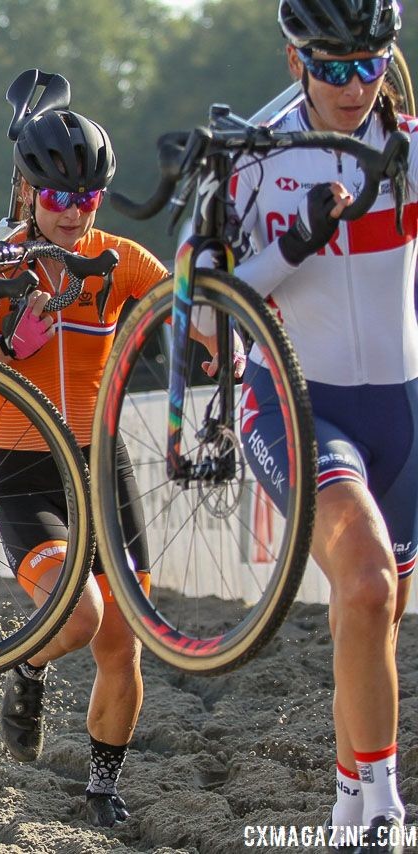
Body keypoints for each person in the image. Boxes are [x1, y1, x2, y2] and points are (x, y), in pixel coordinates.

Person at [0, 107, 220, 827]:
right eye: (57, 197)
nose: (73, 212)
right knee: (80, 615)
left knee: (123, 640)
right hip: (23, 465)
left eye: (86, 197)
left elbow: (186, 307)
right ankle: (30, 665)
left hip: (99, 463)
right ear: (29, 192)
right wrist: (9, 346)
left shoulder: (118, 258)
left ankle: (103, 788)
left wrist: (221, 343)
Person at [230, 2, 417, 845]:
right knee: (369, 584)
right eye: (333, 67)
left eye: (369, 64)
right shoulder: (253, 160)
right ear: (294, 58)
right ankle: (384, 812)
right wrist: (293, 244)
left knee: (369, 613)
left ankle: (346, 805)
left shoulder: (408, 143)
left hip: (403, 411)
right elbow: (203, 319)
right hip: (297, 403)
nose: (355, 85)